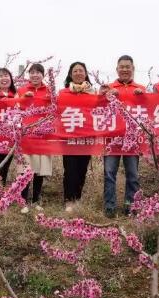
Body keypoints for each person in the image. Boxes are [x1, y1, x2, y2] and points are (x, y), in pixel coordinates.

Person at [99, 55, 146, 218]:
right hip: (112, 139)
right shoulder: (109, 87)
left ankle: (130, 206)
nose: (125, 69)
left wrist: (143, 96)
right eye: (122, 67)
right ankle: (109, 206)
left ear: (133, 68)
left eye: (128, 67)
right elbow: (97, 107)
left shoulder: (140, 88)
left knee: (132, 175)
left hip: (132, 140)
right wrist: (102, 94)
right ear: (117, 69)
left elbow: (149, 110)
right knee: (109, 173)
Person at [17, 63, 53, 213]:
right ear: (29, 75)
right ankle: (23, 201)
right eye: (32, 72)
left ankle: (37, 199)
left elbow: (56, 110)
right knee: (25, 169)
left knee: (40, 169)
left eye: (38, 72)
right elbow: (13, 108)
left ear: (43, 75)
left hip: (43, 137)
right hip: (25, 137)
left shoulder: (50, 92)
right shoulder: (21, 90)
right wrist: (23, 99)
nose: (35, 75)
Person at [59, 62, 96, 213]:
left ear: (86, 74)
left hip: (87, 138)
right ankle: (68, 199)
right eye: (75, 71)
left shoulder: (93, 93)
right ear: (70, 74)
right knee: (70, 169)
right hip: (68, 138)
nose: (79, 73)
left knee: (82, 169)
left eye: (81, 70)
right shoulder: (63, 93)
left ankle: (77, 198)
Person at [0, 68, 18, 203]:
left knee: (5, 166)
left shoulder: (16, 95)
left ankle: (1, 194)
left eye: (6, 75)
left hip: (11, 138)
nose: (4, 78)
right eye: (1, 76)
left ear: (11, 79)